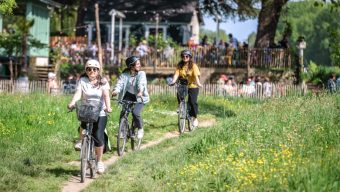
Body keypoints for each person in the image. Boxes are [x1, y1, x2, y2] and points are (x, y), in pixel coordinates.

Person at [67, 59, 112, 174]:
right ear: (86, 70)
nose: (92, 71)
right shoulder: (82, 80)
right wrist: (72, 103)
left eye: (94, 69)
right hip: (86, 110)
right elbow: (78, 93)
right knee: (83, 124)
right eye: (89, 69)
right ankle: (81, 142)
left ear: (98, 70)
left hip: (100, 112)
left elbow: (106, 96)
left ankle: (100, 161)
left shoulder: (103, 81)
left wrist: (108, 107)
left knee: (98, 135)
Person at [111, 56, 149, 140]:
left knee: (135, 113)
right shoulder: (124, 75)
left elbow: (141, 83)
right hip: (129, 95)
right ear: (131, 66)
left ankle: (140, 129)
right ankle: (122, 131)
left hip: (139, 96)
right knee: (124, 112)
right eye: (137, 64)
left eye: (139, 63)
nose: (139, 65)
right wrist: (116, 91)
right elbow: (119, 84)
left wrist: (140, 91)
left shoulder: (141, 74)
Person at [169, 49, 202, 127]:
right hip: (183, 84)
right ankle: (180, 106)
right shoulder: (180, 65)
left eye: (187, 56)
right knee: (180, 93)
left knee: (192, 102)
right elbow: (176, 74)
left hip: (193, 85)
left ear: (190, 57)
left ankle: (194, 117)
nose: (185, 57)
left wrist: (199, 83)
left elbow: (196, 76)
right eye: (183, 56)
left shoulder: (193, 66)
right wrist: (173, 81)